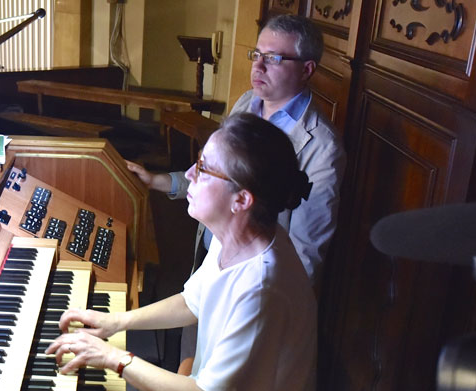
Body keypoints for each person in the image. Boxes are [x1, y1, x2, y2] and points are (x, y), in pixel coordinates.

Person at [47, 113, 318, 391]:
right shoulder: (236, 236)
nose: (189, 174)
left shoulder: (263, 286)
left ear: (242, 199)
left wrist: (115, 359)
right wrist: (115, 322)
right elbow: (194, 300)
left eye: (205, 169)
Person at [127, 13, 345, 291]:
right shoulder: (247, 102)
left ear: (307, 70)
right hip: (210, 260)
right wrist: (155, 180)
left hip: (253, 286)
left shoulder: (323, 148)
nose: (258, 66)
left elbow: (305, 254)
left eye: (274, 59)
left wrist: (258, 309)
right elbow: (216, 173)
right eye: (256, 54)